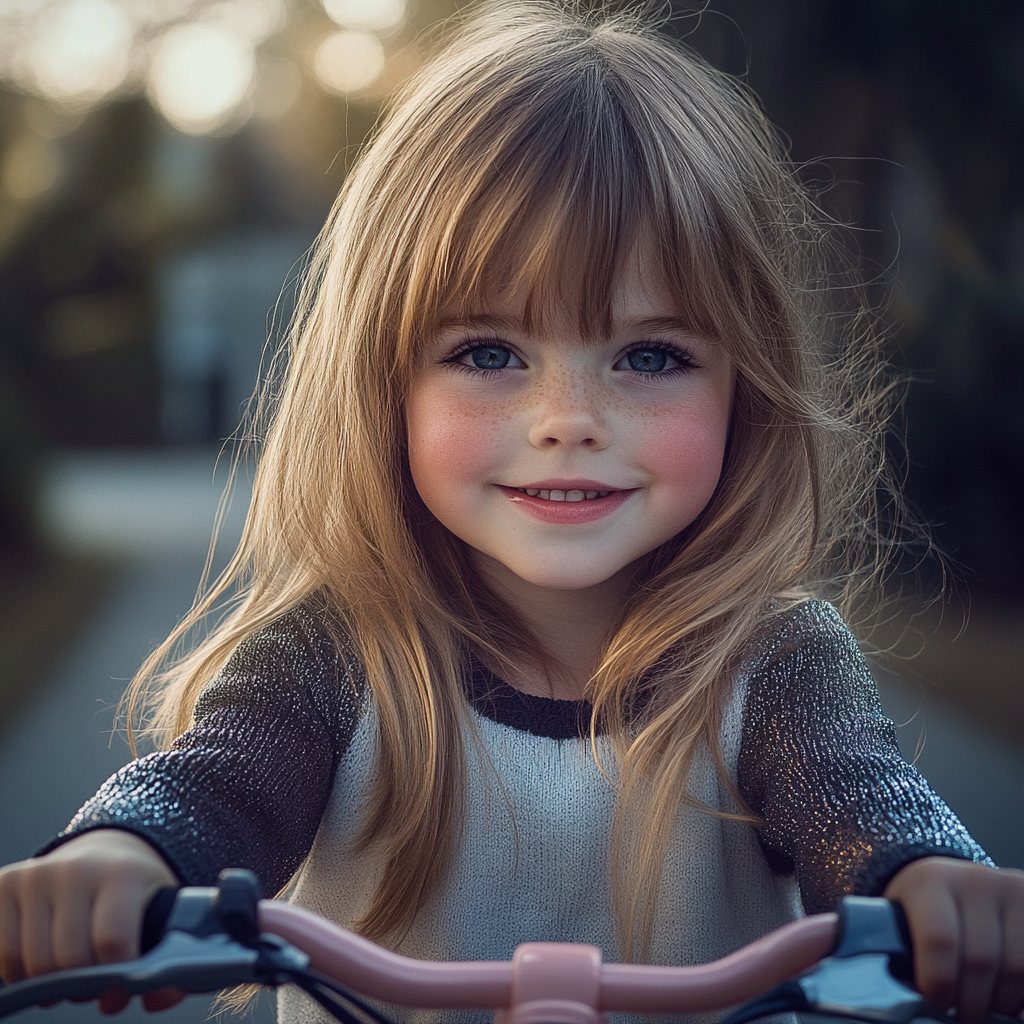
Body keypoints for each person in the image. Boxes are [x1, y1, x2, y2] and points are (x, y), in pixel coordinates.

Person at [2, 4, 1022, 1022]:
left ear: (744, 390)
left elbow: (867, 799)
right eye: (488, 353)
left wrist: (930, 880)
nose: (568, 421)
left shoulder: (771, 663)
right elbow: (209, 787)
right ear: (384, 384)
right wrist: (115, 853)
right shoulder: (331, 657)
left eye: (650, 355)